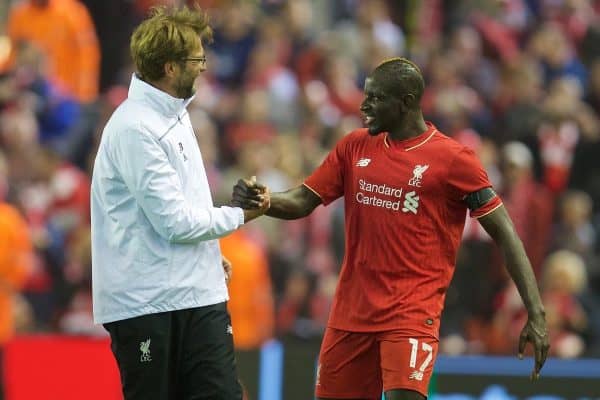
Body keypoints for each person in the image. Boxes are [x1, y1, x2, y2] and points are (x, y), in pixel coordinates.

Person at [233, 57, 549, 400]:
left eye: (375, 98)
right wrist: (266, 201)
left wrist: (536, 312)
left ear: (406, 102)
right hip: (349, 316)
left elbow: (505, 233)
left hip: (410, 316)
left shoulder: (454, 160)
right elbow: (304, 199)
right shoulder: (354, 147)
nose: (364, 106)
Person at [90, 5, 268, 400]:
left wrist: (207, 251)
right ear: (170, 68)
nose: (204, 66)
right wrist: (241, 214)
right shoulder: (134, 127)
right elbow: (173, 222)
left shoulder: (176, 113)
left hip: (197, 293)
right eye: (196, 58)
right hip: (146, 303)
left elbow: (178, 204)